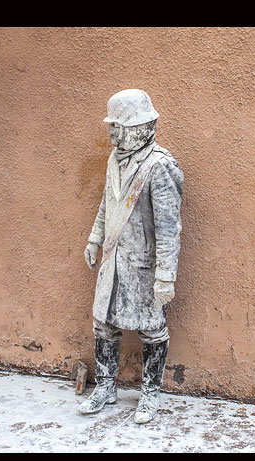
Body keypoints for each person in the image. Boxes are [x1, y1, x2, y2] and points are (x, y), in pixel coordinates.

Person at [79, 89, 183, 424]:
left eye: (116, 128)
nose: (111, 133)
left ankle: (151, 394)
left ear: (135, 128)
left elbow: (169, 229)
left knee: (152, 329)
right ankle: (106, 387)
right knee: (103, 324)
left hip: (143, 267)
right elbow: (107, 204)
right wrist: (96, 239)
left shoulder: (160, 167)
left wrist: (166, 276)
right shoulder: (114, 160)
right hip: (112, 262)